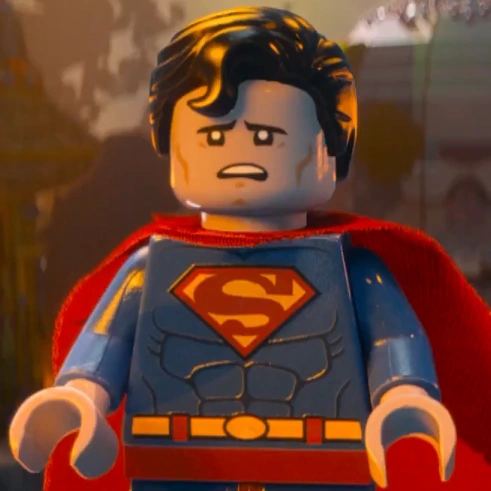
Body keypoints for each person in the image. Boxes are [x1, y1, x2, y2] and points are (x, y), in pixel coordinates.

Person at [9, 6, 491, 491]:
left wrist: (404, 396)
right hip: (179, 455)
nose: (239, 154)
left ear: (330, 150)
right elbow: (107, 342)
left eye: (265, 136)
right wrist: (81, 396)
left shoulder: (352, 270)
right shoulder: (150, 268)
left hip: (321, 456)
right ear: (174, 150)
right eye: (214, 135)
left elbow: (393, 338)